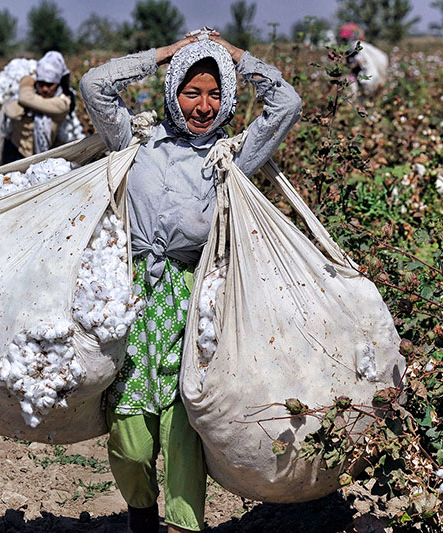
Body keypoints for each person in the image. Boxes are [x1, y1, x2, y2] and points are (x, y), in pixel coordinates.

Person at [80, 29, 301, 533]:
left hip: (194, 302)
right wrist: (165, 54)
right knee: (130, 440)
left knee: (184, 432)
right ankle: (141, 512)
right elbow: (95, 84)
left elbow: (286, 104)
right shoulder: (135, 141)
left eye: (215, 93)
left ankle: (184, 524)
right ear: (172, 91)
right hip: (130, 300)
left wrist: (238, 57)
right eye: (192, 90)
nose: (204, 105)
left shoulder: (231, 157)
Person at [1, 51, 76, 163]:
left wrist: (26, 82)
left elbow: (26, 98)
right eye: (41, 84)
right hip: (16, 152)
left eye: (50, 85)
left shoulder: (63, 103)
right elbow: (12, 112)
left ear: (58, 83)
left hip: (42, 156)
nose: (45, 89)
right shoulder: (26, 97)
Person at [338, 23, 389, 98]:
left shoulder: (354, 45)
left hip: (366, 78)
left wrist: (347, 68)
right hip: (372, 78)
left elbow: (359, 60)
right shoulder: (363, 45)